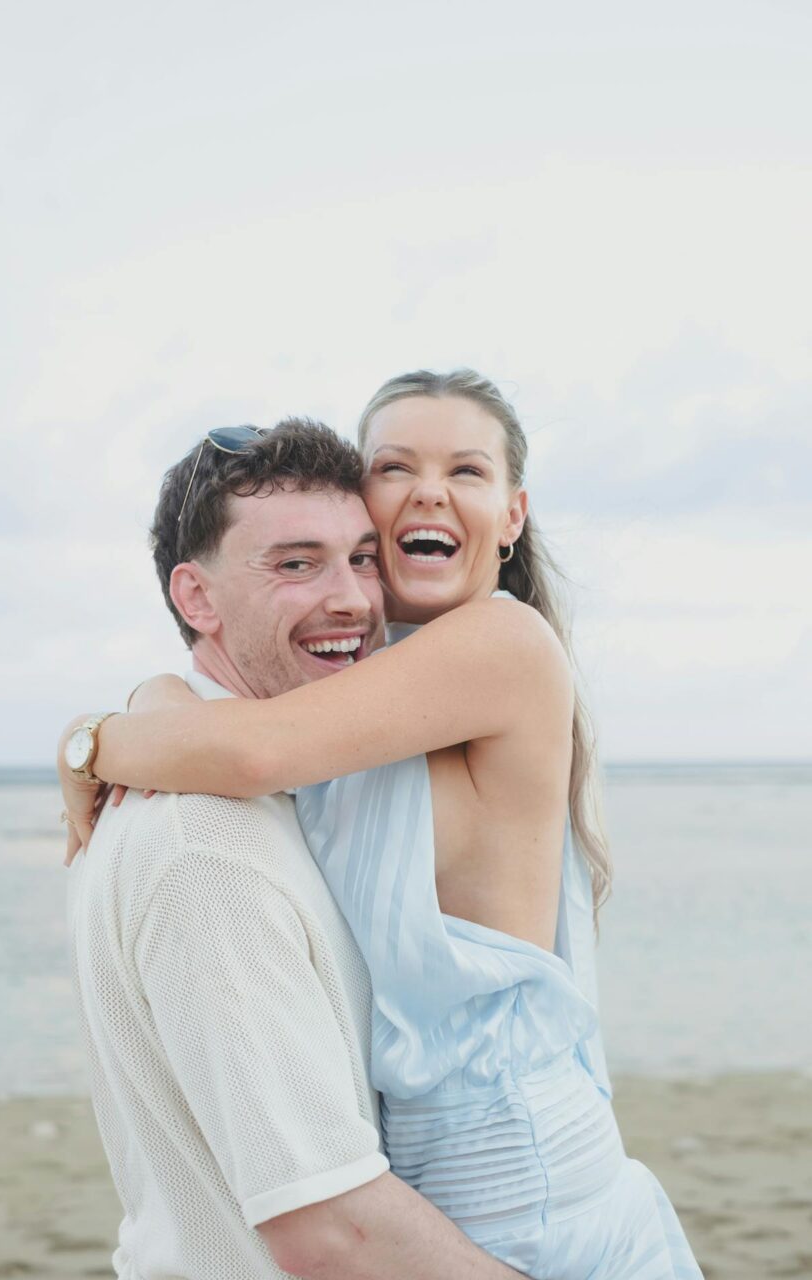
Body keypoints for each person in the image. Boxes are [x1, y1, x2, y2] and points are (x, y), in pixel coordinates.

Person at [61, 371, 703, 1278]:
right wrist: (147, 701)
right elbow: (238, 728)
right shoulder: (359, 687)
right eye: (396, 466)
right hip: (420, 1176)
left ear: (512, 516)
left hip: (519, 1174)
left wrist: (93, 741)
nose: (429, 490)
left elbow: (248, 752)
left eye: (466, 470)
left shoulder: (501, 645)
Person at [60, 417, 528, 1280]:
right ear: (195, 599)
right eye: (295, 564)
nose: (352, 599)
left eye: (360, 557)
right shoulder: (207, 845)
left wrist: (104, 728)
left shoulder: (282, 794)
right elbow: (330, 1231)